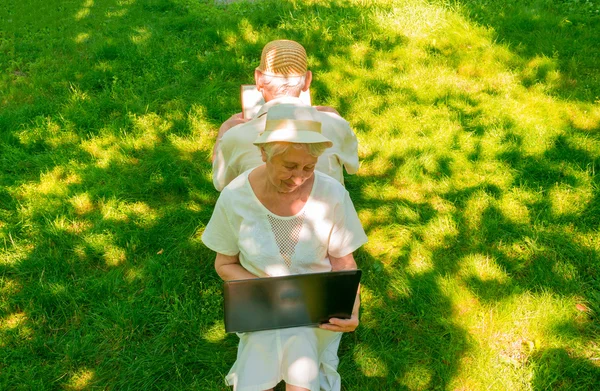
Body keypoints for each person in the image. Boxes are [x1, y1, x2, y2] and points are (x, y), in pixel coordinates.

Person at [202, 103, 368, 391]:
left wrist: (353, 307)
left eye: (309, 167)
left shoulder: (331, 194)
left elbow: (343, 264)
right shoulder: (235, 197)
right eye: (290, 166)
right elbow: (224, 264)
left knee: (298, 335)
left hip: (316, 310)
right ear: (264, 153)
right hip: (261, 304)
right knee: (281, 336)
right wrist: (269, 292)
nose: (299, 178)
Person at [212, 39, 359, 191]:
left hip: (257, 214)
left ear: (258, 78)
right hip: (328, 212)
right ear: (307, 80)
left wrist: (223, 131)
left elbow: (220, 184)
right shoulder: (337, 125)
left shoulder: (234, 136)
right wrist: (335, 118)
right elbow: (352, 167)